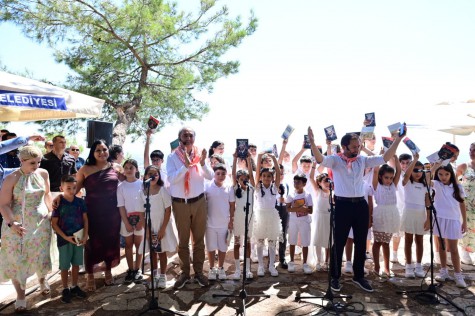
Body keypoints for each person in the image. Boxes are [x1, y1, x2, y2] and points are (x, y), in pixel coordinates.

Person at [308, 125, 404, 293]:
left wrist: (398, 140)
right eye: (354, 147)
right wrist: (312, 142)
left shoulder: (363, 160)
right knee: (338, 242)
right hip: (342, 205)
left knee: (361, 242)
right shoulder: (335, 160)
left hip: (360, 205)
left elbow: (384, 157)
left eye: (359, 146)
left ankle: (359, 276)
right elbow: (320, 159)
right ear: (344, 147)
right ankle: (335, 277)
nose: (357, 149)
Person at [0, 146, 52, 313]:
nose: (36, 166)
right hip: (17, 227)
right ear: (21, 161)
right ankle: (21, 296)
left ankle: (42, 280)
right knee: (17, 260)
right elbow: (3, 204)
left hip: (40, 224)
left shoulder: (43, 173)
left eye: (38, 162)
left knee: (40, 254)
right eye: (32, 163)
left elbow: (47, 195)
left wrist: (52, 213)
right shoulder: (11, 178)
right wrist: (11, 223)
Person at [166, 127, 213, 289]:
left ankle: (199, 272)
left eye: (190, 135)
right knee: (184, 241)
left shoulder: (200, 155)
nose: (188, 137)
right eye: (184, 135)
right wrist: (185, 166)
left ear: (194, 138)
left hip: (199, 202)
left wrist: (203, 164)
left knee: (199, 240)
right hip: (180, 204)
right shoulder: (172, 157)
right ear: (179, 138)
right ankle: (185, 273)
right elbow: (171, 179)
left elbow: (210, 176)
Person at [74, 140, 121, 291]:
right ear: (92, 153)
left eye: (104, 149)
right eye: (98, 150)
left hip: (112, 212)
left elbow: (129, 183)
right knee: (91, 244)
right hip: (92, 213)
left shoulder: (116, 167)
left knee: (110, 241)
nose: (102, 153)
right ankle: (90, 275)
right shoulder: (85, 169)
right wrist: (60, 199)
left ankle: (108, 271)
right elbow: (73, 190)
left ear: (109, 151)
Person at [137, 165, 177, 289]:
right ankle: (154, 275)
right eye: (150, 174)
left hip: (161, 225)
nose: (153, 176)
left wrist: (162, 229)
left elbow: (168, 211)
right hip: (149, 226)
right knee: (153, 252)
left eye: (156, 174)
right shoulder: (142, 192)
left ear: (159, 176)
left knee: (162, 251)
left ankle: (163, 275)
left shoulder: (162, 190)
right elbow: (141, 212)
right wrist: (147, 230)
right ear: (145, 176)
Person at [51, 175, 88, 303]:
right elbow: (54, 223)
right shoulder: (59, 203)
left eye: (74, 187)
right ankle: (65, 288)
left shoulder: (80, 202)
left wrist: (85, 235)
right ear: (61, 188)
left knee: (77, 264)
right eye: (68, 188)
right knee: (65, 266)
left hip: (78, 238)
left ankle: (74, 286)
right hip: (64, 239)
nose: (72, 190)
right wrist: (65, 237)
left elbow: (85, 219)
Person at [431, 164, 467, 288]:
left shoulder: (457, 187)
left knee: (453, 249)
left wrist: (465, 222)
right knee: (441, 246)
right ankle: (443, 270)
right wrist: (434, 166)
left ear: (451, 174)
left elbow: (462, 204)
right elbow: (425, 178)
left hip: (453, 220)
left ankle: (458, 274)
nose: (443, 177)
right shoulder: (436, 184)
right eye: (440, 174)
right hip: (440, 218)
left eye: (446, 174)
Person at [369, 161, 401, 278]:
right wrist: (380, 159)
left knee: (386, 243)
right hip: (380, 215)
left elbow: (399, 172)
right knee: (377, 242)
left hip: (392, 215)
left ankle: (387, 267)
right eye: (386, 177)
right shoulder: (376, 186)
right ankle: (377, 266)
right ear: (381, 177)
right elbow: (375, 170)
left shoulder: (393, 186)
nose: (389, 180)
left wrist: (396, 158)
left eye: (391, 178)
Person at [205, 163, 235, 281]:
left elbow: (232, 205)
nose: (220, 176)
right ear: (214, 174)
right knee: (211, 247)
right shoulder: (207, 186)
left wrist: (231, 220)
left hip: (224, 223)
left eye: (223, 173)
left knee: (223, 247)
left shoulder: (229, 188)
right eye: (218, 173)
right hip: (210, 224)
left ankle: (221, 267)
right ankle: (212, 268)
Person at [254, 153, 282, 277]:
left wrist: (274, 158)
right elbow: (256, 173)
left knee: (272, 242)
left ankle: (271, 265)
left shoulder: (275, 188)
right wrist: (259, 157)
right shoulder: (258, 187)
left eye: (269, 176)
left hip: (272, 216)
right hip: (260, 216)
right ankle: (260, 265)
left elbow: (278, 172)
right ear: (261, 177)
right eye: (264, 176)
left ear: (272, 178)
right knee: (260, 242)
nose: (266, 178)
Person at [400, 153, 427, 278]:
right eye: (415, 170)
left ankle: (419, 265)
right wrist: (414, 160)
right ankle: (408, 266)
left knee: (420, 240)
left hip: (421, 214)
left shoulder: (425, 185)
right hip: (409, 213)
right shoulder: (407, 183)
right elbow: (406, 175)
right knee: (408, 240)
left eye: (421, 170)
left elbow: (428, 203)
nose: (418, 173)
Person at [117, 159, 144, 284]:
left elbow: (144, 204)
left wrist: (141, 221)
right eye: (126, 168)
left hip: (140, 220)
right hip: (126, 220)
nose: (128, 170)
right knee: (128, 245)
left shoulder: (142, 184)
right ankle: (130, 269)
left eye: (131, 167)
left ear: (136, 169)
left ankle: (137, 269)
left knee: (139, 245)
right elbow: (121, 206)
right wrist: (126, 223)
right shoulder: (121, 187)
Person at [231, 151, 255, 280]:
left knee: (248, 243)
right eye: (241, 179)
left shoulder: (252, 188)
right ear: (238, 180)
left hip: (249, 218)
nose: (244, 180)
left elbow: (251, 174)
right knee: (237, 243)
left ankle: (247, 269)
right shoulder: (235, 189)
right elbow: (234, 173)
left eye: (246, 179)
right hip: (238, 218)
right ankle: (237, 270)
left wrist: (249, 160)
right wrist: (235, 159)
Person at [286, 173, 313, 274]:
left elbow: (311, 210)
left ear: (304, 184)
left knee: (305, 242)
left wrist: (304, 209)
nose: (296, 184)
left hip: (305, 221)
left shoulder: (307, 195)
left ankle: (305, 263)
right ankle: (292, 261)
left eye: (298, 182)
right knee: (292, 240)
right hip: (293, 220)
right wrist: (299, 208)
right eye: (295, 182)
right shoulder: (291, 195)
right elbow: (288, 208)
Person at [391, 153, 412, 264]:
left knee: (408, 234)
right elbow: (391, 161)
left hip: (409, 207)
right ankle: (394, 254)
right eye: (402, 163)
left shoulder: (414, 174)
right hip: (398, 206)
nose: (405, 165)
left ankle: (407, 255)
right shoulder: (396, 173)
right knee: (397, 234)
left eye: (407, 163)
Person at [456, 142, 475, 265]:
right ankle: (465, 252)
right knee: (466, 227)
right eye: (471, 149)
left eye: (474, 150)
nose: (472, 152)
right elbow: (453, 181)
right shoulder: (464, 166)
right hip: (467, 203)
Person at [310, 170, 331, 271]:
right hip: (319, 218)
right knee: (318, 240)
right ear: (319, 183)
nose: (327, 183)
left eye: (329, 180)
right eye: (325, 181)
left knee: (328, 241)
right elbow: (310, 178)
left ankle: (327, 261)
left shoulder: (334, 193)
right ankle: (319, 260)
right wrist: (314, 165)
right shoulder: (318, 192)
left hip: (329, 218)